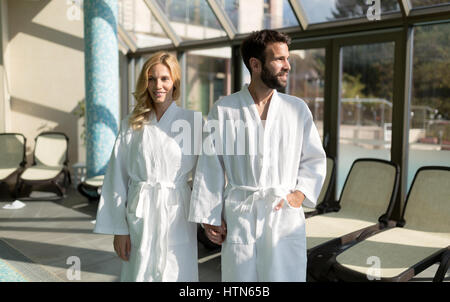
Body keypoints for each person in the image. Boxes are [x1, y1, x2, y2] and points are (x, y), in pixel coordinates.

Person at [189, 29, 326, 281]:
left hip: (282, 213)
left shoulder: (297, 110)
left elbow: (314, 160)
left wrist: (298, 195)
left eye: (287, 58)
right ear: (255, 64)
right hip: (241, 213)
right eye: (279, 59)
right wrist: (210, 216)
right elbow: (210, 166)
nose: (287, 66)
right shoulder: (225, 109)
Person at [94, 51, 200, 282]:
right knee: (139, 273)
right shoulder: (131, 124)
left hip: (177, 212)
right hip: (140, 211)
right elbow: (116, 179)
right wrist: (119, 229)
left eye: (164, 78)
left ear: (175, 83)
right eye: (151, 79)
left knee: (177, 273)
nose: (157, 85)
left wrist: (211, 216)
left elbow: (206, 175)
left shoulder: (193, 122)